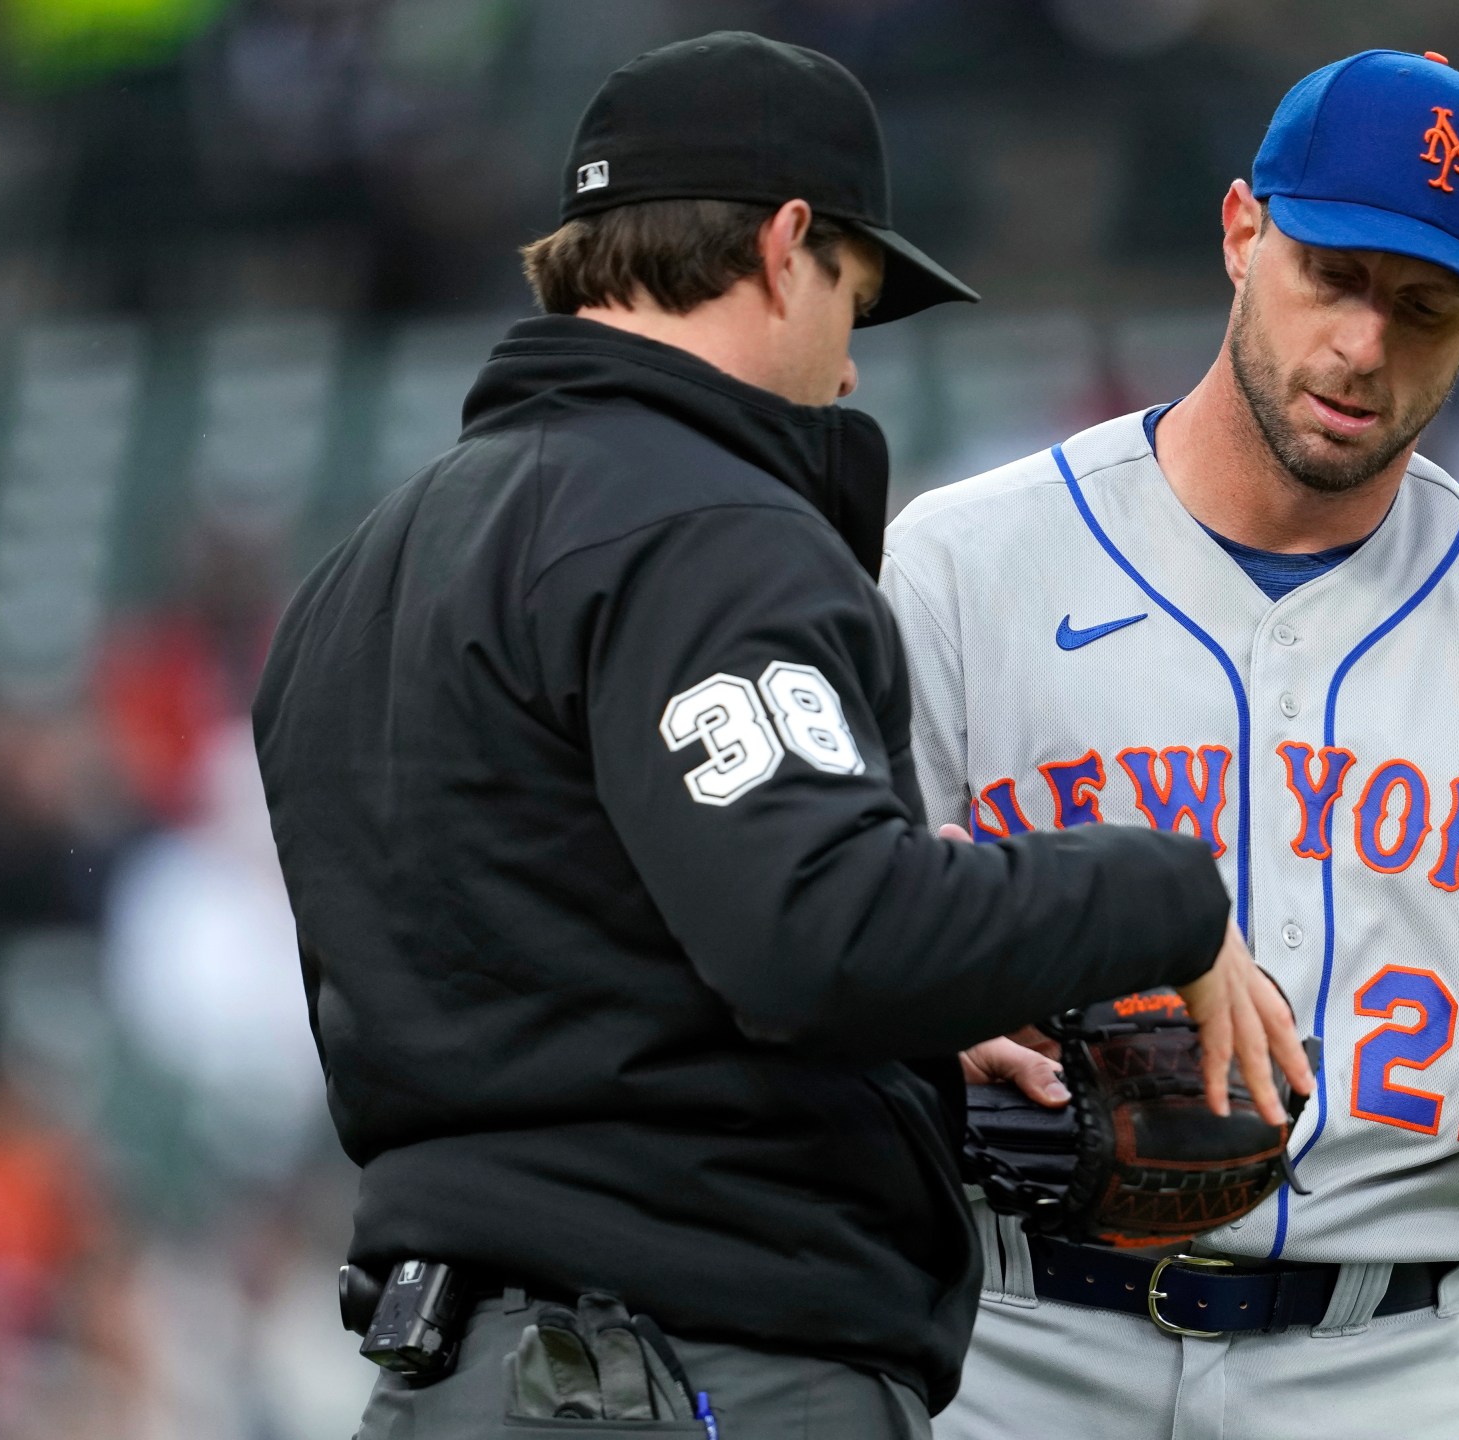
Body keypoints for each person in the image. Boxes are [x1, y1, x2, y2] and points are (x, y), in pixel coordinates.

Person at [252, 32, 1309, 1440]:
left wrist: (926, 1029)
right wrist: (1162, 896)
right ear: (784, 245)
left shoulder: (365, 571)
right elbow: (818, 933)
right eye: (854, 306)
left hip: (447, 1374)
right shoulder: (708, 527)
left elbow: (606, 953)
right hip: (691, 1370)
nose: (853, 374)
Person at [881, 49, 1459, 1438]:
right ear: (1241, 232)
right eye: (1333, 275)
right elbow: (815, 954)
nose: (1364, 345)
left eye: (1425, 305)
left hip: (1378, 1367)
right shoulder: (963, 564)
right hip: (1015, 1341)